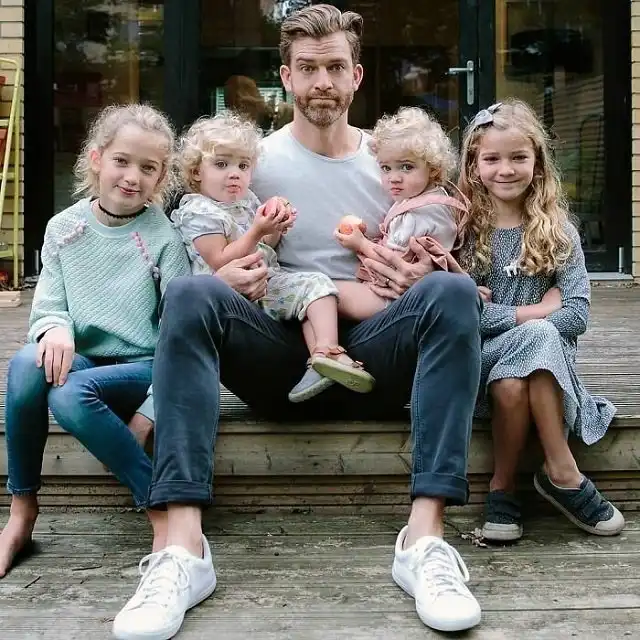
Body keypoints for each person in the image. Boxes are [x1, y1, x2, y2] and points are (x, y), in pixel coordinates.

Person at [112, 6, 482, 639]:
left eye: (335, 67)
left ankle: (424, 541)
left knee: (452, 291)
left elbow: (439, 246)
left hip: (375, 357)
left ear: (357, 75)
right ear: (286, 77)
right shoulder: (252, 163)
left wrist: (424, 270)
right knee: (193, 293)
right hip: (278, 357)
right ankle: (183, 549)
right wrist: (226, 278)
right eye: (307, 68)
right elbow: (200, 248)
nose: (322, 83)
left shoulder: (391, 164)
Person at [0, 104, 190, 577]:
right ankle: (22, 510)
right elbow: (48, 307)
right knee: (25, 366)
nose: (133, 177)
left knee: (68, 393)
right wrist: (56, 329)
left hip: (142, 369)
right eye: (122, 161)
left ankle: (157, 506)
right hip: (85, 360)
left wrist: (151, 410)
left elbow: (182, 338)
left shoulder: (164, 238)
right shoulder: (63, 228)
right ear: (96, 159)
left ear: (161, 176)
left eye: (148, 168)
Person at [457, 99, 625, 542]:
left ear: (537, 162)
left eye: (518, 157)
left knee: (517, 378)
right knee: (538, 332)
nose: (505, 169)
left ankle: (502, 488)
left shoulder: (558, 231)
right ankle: (561, 470)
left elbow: (577, 315)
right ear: (474, 165)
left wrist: (519, 319)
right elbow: (464, 317)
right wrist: (534, 312)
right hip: (484, 361)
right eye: (492, 159)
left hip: (544, 370)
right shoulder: (464, 232)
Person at [170, 112, 374, 402]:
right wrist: (257, 230)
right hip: (231, 301)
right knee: (314, 288)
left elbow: (267, 245)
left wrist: (276, 225)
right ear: (196, 172)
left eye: (243, 166)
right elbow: (219, 259)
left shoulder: (246, 202)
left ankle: (325, 355)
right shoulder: (198, 211)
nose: (234, 173)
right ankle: (327, 355)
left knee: (317, 286)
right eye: (221, 164)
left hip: (265, 284)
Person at [334, 105, 469, 320]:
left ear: (433, 168)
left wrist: (360, 244)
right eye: (386, 168)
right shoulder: (422, 197)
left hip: (397, 299)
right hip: (404, 294)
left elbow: (394, 263)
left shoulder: (421, 212)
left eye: (406, 167)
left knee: (324, 293)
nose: (394, 178)